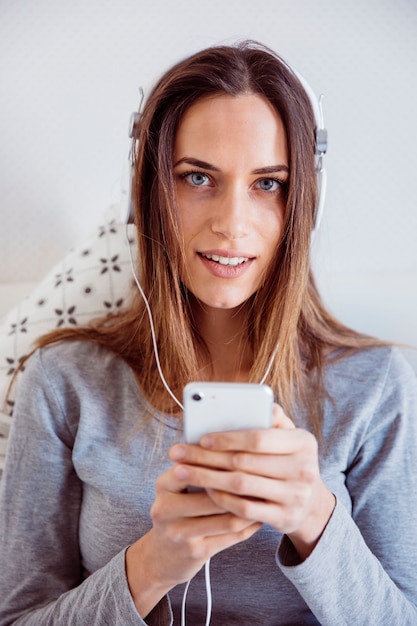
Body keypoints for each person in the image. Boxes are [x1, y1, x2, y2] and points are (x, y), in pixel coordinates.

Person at [0, 40, 416, 626]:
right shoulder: (64, 383)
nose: (231, 223)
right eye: (197, 177)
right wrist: (152, 565)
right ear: (146, 193)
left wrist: (316, 519)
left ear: (302, 204)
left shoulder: (378, 389)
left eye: (268, 183)